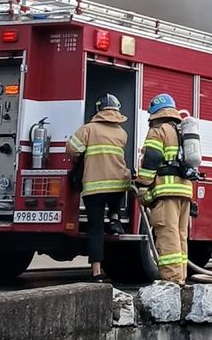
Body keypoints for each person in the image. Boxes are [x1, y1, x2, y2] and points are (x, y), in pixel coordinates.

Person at [66, 93, 131, 283]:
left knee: (95, 229)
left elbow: (72, 149)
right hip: (117, 185)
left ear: (98, 110)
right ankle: (115, 218)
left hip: (94, 188)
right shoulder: (122, 133)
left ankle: (97, 272)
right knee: (116, 196)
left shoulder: (88, 129)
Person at [135, 93, 193, 284]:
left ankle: (172, 281)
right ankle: (181, 278)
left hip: (166, 193)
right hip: (184, 191)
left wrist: (142, 184)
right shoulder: (181, 130)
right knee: (180, 236)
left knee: (168, 236)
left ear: (154, 113)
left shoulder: (158, 131)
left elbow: (151, 158)